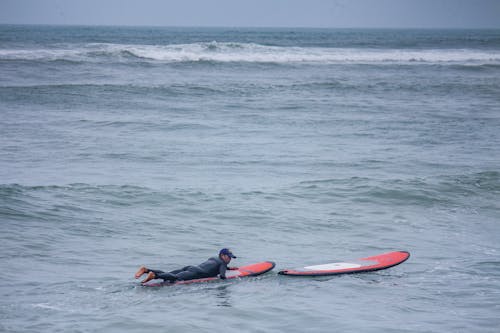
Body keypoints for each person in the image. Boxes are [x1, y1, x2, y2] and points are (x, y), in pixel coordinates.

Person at [135, 248, 238, 284]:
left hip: (191, 267)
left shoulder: (214, 258)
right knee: (176, 278)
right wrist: (232, 281)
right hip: (197, 273)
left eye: (231, 257)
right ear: (222, 256)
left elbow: (214, 266)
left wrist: (228, 268)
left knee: (170, 274)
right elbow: (223, 276)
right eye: (228, 257)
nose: (229, 259)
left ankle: (146, 270)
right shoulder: (223, 264)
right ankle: (155, 276)